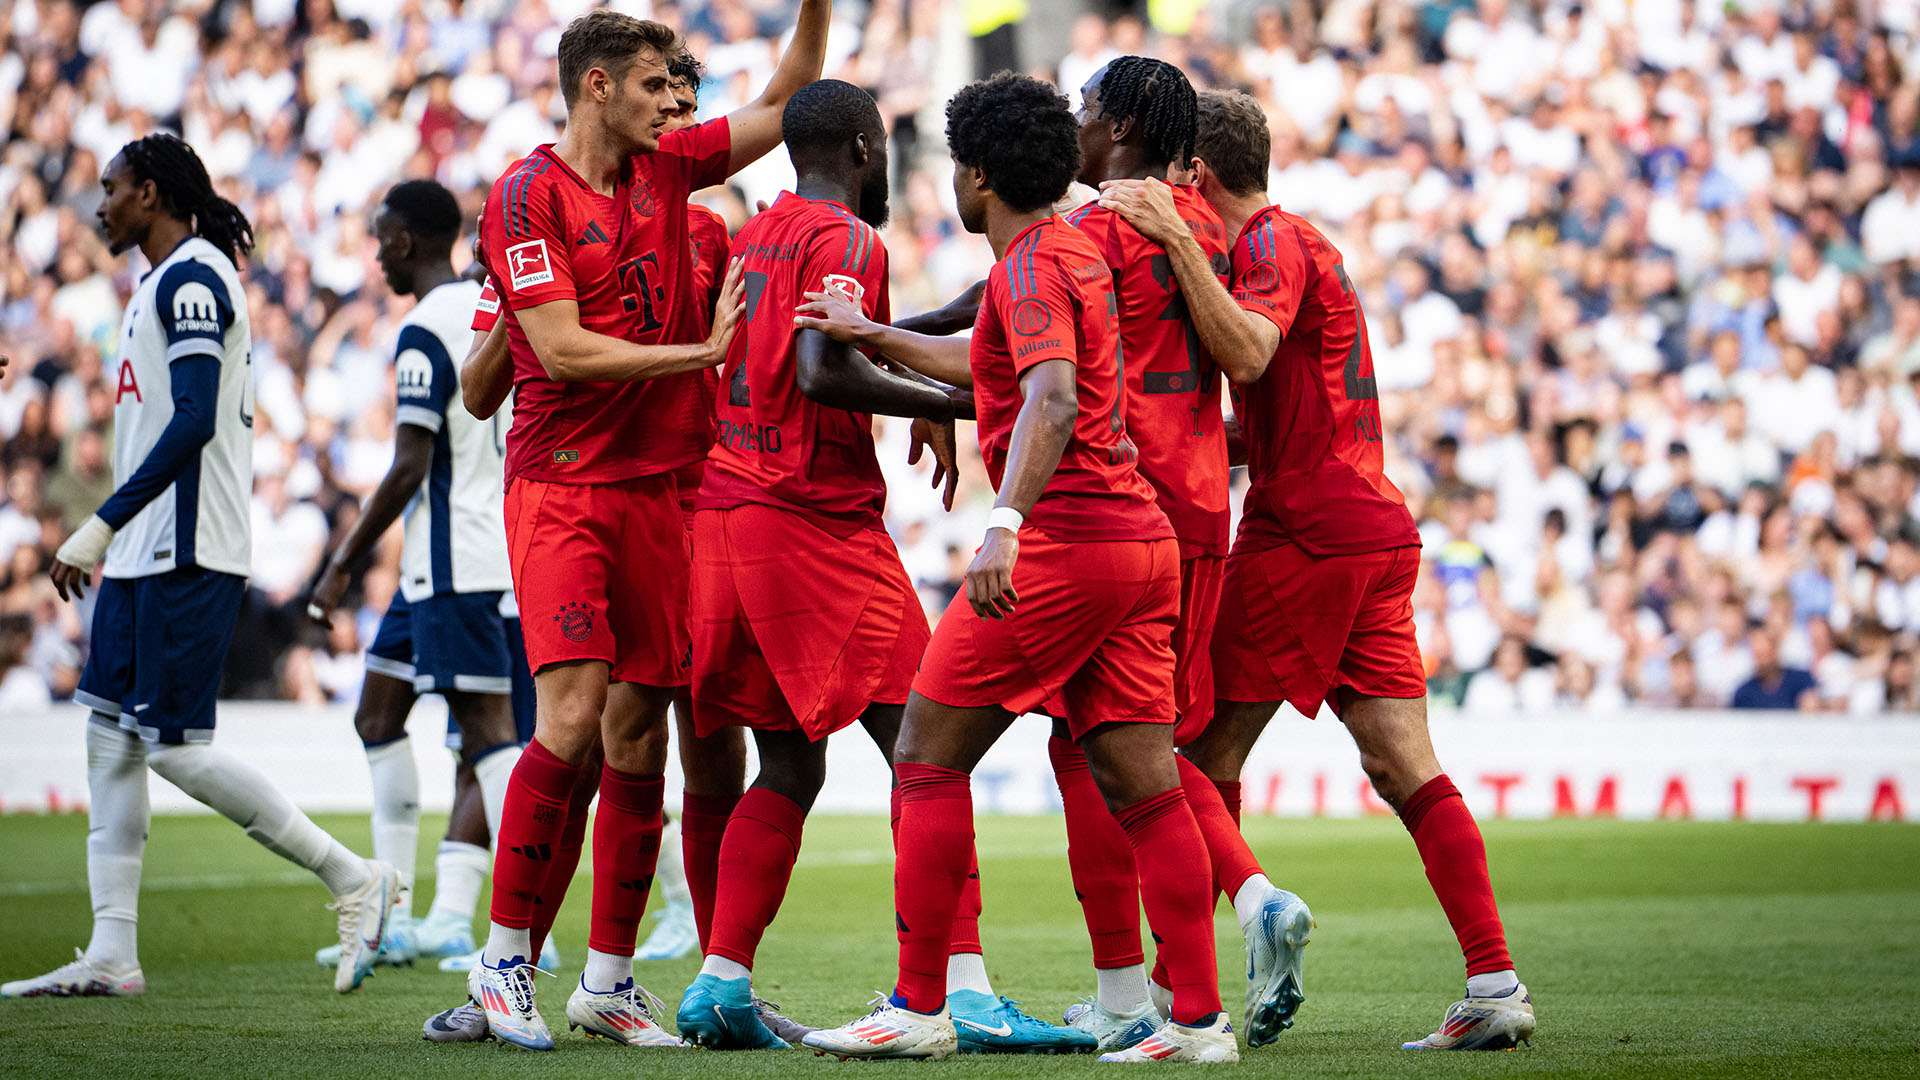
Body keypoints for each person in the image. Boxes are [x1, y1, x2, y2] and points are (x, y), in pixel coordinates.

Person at [798, 72, 1235, 1065]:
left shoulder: (1034, 269)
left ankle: (919, 1007)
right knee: (1146, 787)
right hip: (1141, 547)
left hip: (1069, 547)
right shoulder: (1067, 254)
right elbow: (995, 365)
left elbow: (1049, 395)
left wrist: (1003, 522)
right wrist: (875, 336)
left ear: (977, 174)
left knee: (924, 753)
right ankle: (1200, 1023)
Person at [1097, 89, 1535, 1051]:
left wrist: (1170, 238)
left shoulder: (1264, 247)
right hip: (1369, 524)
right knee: (1401, 764)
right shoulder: (1306, 245)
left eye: (1175, 179)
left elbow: (1249, 351)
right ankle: (1495, 981)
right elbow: (1278, 401)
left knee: (1177, 748)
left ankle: (1193, 977)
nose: (1170, 195)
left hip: (1312, 531)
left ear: (1194, 176)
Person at [464, 6, 827, 1052]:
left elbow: (787, 92)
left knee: (637, 738)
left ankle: (610, 981)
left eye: (680, 90)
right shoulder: (528, 193)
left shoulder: (671, 175)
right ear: (597, 87)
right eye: (658, 86)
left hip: (667, 495)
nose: (677, 104)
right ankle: (502, 962)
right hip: (567, 487)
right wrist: (699, 357)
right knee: (573, 717)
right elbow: (565, 354)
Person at [0, 134, 397, 1000]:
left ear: (149, 191)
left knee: (174, 750)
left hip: (185, 549)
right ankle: (113, 953)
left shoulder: (192, 278)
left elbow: (192, 421)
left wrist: (100, 524)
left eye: (110, 189)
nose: (99, 204)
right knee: (108, 740)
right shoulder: (158, 281)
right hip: (144, 555)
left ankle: (353, 876)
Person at [673, 76, 971, 1052]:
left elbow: (810, 353)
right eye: (883, 144)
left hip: (727, 520)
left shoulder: (753, 235)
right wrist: (961, 401)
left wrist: (913, 372)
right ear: (858, 145)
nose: (886, 160)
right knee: (930, 746)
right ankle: (948, 992)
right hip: (812, 523)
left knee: (790, 764)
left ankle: (720, 984)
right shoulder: (847, 238)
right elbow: (822, 367)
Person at [1058, 57, 1309, 1051]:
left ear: (1118, 124)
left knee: (1107, 747)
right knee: (1171, 743)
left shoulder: (1090, 232)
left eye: (1083, 110)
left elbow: (1041, 362)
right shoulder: (1215, 233)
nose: (1073, 125)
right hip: (1204, 507)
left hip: (1121, 509)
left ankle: (1146, 986)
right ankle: (1172, 978)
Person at [300, 179, 527, 972]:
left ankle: (525, 931)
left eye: (382, 238)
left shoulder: (425, 329)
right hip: (465, 554)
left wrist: (337, 566)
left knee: (490, 734)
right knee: (378, 712)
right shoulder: (485, 311)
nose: (376, 253)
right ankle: (390, 915)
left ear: (407, 242)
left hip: (454, 559)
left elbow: (408, 466)